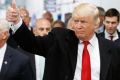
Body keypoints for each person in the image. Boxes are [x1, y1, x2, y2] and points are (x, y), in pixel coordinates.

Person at [6, 2, 120, 80]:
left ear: (96, 24)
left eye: (83, 22)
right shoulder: (59, 39)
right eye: (76, 21)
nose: (78, 26)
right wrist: (17, 22)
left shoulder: (111, 48)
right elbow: (30, 43)